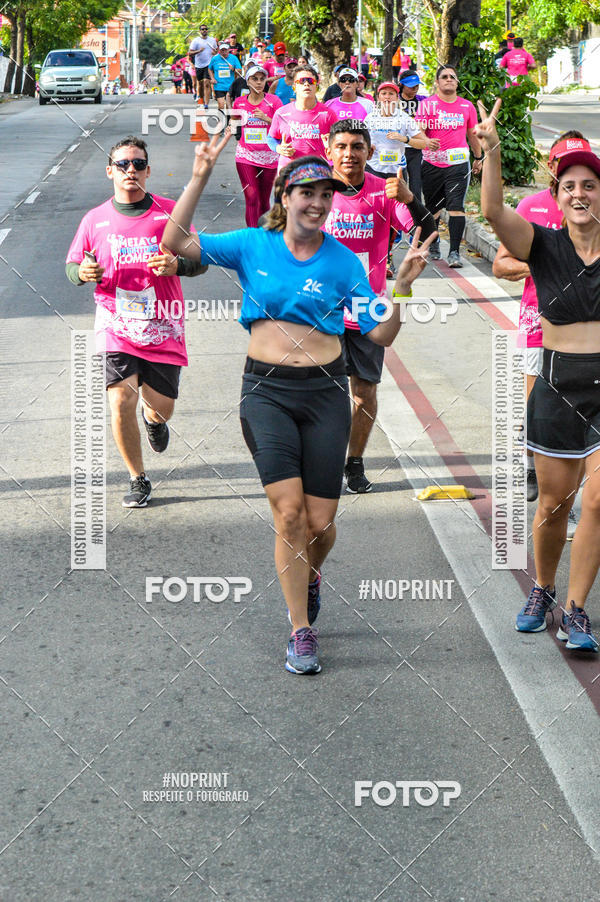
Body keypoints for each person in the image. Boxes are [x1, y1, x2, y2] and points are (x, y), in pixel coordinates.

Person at [163, 139, 436, 673]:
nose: (317, 203)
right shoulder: (251, 244)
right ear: (285, 197)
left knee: (320, 521)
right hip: (265, 392)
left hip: (326, 392)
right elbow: (176, 241)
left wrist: (401, 287)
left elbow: (379, 333)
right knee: (288, 514)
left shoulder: (342, 262)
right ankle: (301, 630)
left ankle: (310, 572)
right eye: (306, 192)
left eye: (324, 195)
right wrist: (199, 176)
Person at [477, 98, 600, 653]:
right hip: (556, 384)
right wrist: (493, 151)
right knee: (552, 504)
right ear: (557, 196)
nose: (580, 193)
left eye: (590, 185)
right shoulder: (542, 244)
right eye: (569, 185)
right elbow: (495, 210)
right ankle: (543, 590)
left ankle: (578, 611)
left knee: (597, 502)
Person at [66, 137, 206, 508]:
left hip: (164, 324)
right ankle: (137, 478)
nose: (131, 170)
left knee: (160, 406)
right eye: (123, 163)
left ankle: (155, 420)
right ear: (110, 170)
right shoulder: (94, 219)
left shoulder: (169, 212)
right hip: (115, 323)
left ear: (148, 170)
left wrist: (179, 265)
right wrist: (81, 271)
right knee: (120, 401)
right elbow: (72, 266)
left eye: (138, 164)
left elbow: (201, 259)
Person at [325, 119, 436, 492]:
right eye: (341, 146)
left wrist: (410, 200)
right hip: (318, 313)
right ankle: (322, 458)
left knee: (364, 393)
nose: (349, 154)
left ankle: (353, 462)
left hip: (367, 312)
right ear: (329, 151)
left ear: (371, 153)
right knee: (322, 394)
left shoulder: (385, 192)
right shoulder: (313, 192)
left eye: (357, 147)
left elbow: (422, 232)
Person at [493, 130, 591, 519]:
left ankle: (568, 495)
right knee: (540, 404)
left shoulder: (592, 207)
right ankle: (535, 464)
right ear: (551, 167)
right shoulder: (531, 206)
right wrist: (541, 263)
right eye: (560, 163)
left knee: (581, 409)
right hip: (537, 321)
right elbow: (501, 263)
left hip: (586, 326)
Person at [415, 64, 483, 267]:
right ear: (437, 82)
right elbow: (418, 131)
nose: (449, 79)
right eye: (444, 76)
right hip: (432, 163)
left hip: (458, 164)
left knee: (456, 207)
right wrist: (425, 139)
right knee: (433, 208)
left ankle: (454, 253)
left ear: (457, 82)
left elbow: (472, 134)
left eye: (453, 76)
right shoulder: (427, 105)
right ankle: (434, 243)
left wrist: (479, 157)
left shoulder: (466, 106)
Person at [365, 81, 434, 274]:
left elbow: (424, 143)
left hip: (396, 174)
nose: (387, 97)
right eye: (383, 94)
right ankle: (376, 257)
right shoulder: (370, 119)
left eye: (391, 94)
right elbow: (360, 141)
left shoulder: (404, 119)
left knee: (391, 217)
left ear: (397, 98)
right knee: (375, 216)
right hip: (373, 171)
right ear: (378, 98)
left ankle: (387, 258)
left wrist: (405, 139)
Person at [233, 64, 283, 227]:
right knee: (252, 197)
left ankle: (263, 235)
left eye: (262, 79)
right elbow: (234, 124)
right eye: (254, 79)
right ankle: (252, 237)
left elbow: (284, 126)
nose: (259, 82)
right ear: (247, 81)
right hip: (245, 156)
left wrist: (267, 119)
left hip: (270, 157)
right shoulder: (239, 103)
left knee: (263, 200)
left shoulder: (274, 101)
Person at [267, 65, 338, 170]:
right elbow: (271, 138)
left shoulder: (328, 114)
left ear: (316, 86)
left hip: (319, 172)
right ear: (294, 87)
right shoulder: (281, 113)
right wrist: (279, 148)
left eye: (310, 81)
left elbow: (338, 141)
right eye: (301, 81)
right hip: (289, 171)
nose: (306, 84)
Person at [397, 70, 429, 202]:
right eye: (411, 86)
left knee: (416, 185)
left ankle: (417, 216)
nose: (415, 89)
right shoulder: (395, 101)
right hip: (398, 148)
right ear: (401, 85)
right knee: (400, 183)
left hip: (416, 149)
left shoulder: (423, 101)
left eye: (417, 86)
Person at [189, 24, 218, 109]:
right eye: (202, 29)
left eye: (206, 29)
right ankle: (201, 99)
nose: (204, 30)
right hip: (199, 65)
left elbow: (216, 51)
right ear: (200, 31)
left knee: (207, 83)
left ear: (207, 30)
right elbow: (190, 53)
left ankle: (206, 103)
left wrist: (215, 53)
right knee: (201, 85)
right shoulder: (196, 41)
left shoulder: (212, 40)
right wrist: (199, 51)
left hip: (209, 64)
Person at [208, 42, 242, 113]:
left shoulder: (234, 58)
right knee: (221, 105)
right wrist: (212, 78)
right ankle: (221, 120)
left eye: (225, 50)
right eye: (222, 50)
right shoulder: (215, 58)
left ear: (228, 50)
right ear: (219, 51)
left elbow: (240, 71)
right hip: (219, 85)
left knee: (228, 106)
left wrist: (233, 69)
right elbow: (209, 69)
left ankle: (228, 121)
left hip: (230, 86)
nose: (224, 52)